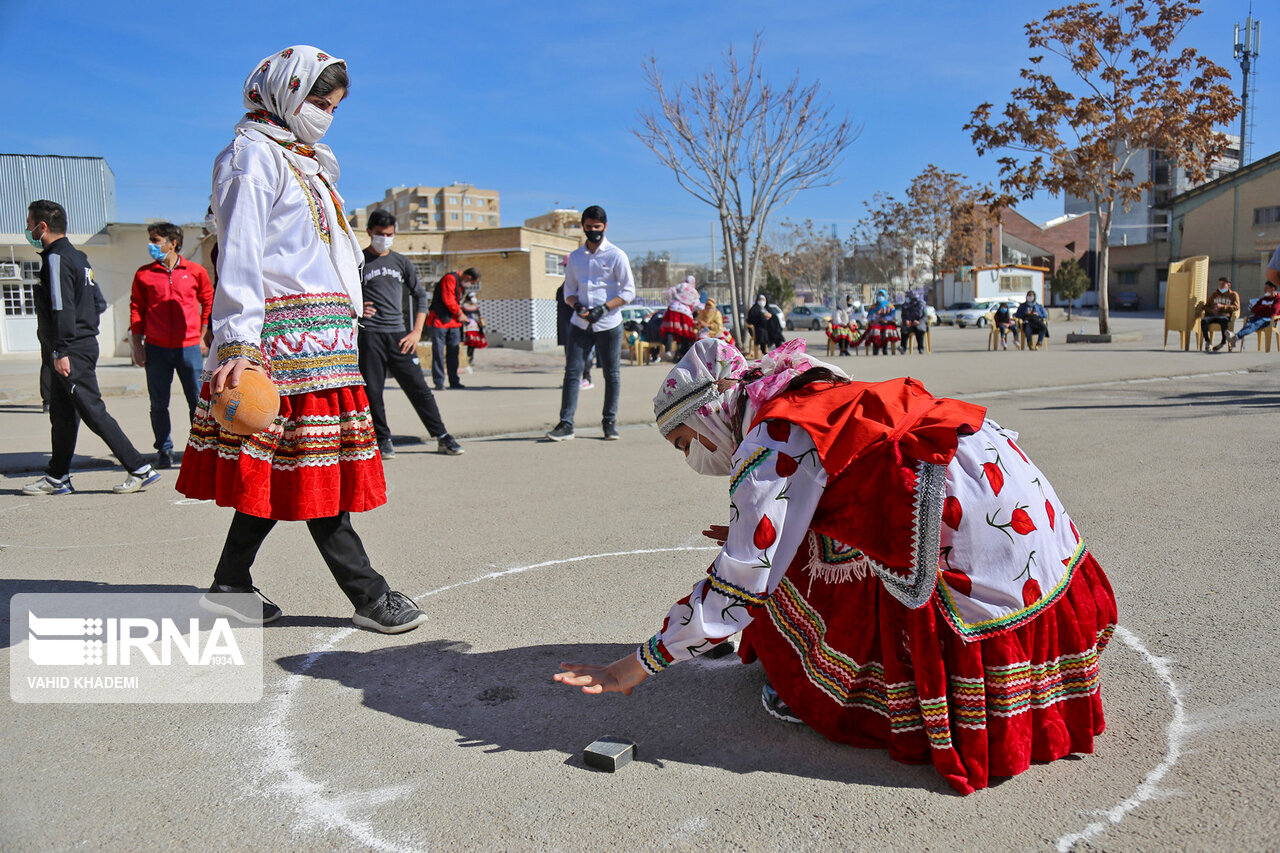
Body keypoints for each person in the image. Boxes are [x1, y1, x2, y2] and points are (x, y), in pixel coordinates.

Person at [555, 338, 1119, 796]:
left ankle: (827, 694)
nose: (693, 459)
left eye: (686, 442)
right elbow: (843, 481)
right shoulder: (807, 386)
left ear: (710, 416)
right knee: (801, 556)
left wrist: (638, 664)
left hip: (958, 521)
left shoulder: (769, 438)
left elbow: (740, 583)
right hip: (1004, 493)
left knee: (773, 576)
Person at [176, 45, 428, 634]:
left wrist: (348, 302)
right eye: (317, 100)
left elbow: (317, 252)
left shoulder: (304, 159)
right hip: (283, 344)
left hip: (326, 342)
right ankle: (368, 595)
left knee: (283, 469)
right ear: (284, 92)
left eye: (333, 106)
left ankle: (229, 584)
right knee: (316, 472)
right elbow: (237, 251)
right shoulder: (250, 156)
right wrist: (237, 342)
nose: (324, 114)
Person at [22, 200, 161, 497]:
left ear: (42, 227)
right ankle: (57, 477)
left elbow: (60, 306)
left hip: (69, 349)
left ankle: (139, 468)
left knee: (92, 411)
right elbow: (97, 303)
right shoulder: (79, 257)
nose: (27, 230)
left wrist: (61, 349)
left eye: (29, 223)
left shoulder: (57, 258)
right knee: (62, 415)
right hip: (76, 344)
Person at [357, 209, 463, 458]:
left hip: (400, 335)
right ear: (370, 232)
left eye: (389, 234)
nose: (385, 238)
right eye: (380, 234)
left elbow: (420, 295)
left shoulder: (401, 262)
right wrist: (357, 307)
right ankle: (383, 440)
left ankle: (442, 436)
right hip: (370, 336)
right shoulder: (358, 261)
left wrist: (417, 331)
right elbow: (342, 292)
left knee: (418, 388)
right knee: (373, 392)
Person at [545, 205, 635, 442]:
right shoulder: (575, 258)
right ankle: (566, 424)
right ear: (583, 227)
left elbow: (628, 291)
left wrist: (604, 308)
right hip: (580, 324)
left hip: (609, 323)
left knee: (611, 374)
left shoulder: (616, 255)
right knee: (572, 373)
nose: (593, 231)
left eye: (597, 227)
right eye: (588, 227)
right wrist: (578, 306)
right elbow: (569, 291)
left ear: (605, 227)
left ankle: (609, 423)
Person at [129, 221, 215, 469]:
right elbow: (136, 309)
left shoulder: (195, 271)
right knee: (158, 403)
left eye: (155, 241)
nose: (151, 246)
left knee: (197, 402)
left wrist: (203, 334)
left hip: (189, 348)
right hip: (156, 348)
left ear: (172, 242)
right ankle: (164, 450)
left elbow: (208, 302)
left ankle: (199, 449)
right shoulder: (143, 274)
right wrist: (138, 344)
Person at [428, 267, 478, 390]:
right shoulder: (450, 278)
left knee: (453, 353)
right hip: (440, 321)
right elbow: (448, 299)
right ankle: (439, 382)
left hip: (454, 323)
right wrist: (460, 313)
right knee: (438, 353)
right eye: (471, 283)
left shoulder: (461, 285)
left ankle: (454, 380)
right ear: (468, 277)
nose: (469, 285)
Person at [1218, 280, 1280, 351]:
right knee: (1249, 324)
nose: (1264, 290)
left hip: (1269, 320)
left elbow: (1274, 311)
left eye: (1267, 288)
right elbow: (1253, 309)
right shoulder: (1264, 298)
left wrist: (1261, 309)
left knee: (1255, 324)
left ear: (1273, 289)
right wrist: (1267, 307)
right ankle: (1236, 337)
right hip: (1258, 317)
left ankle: (1236, 337)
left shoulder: (1278, 299)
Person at [555, 279, 594, 386]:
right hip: (566, 325)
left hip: (579, 325)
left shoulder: (579, 287)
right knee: (570, 354)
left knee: (584, 353)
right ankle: (572, 379)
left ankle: (586, 377)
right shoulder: (565, 287)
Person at [660, 275, 701, 361]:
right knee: (686, 333)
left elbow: (668, 292)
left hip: (673, 308)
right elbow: (697, 303)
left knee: (670, 330)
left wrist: (673, 300)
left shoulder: (681, 285)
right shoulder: (693, 291)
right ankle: (684, 353)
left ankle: (668, 350)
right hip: (685, 312)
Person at [1200, 277, 1239, 352]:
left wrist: (1222, 307)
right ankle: (1208, 341)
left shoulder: (1233, 295)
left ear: (1229, 285)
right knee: (1204, 321)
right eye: (1219, 284)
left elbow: (1236, 307)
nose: (1221, 286)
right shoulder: (1215, 294)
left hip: (1224, 315)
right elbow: (1205, 306)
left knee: (1224, 321)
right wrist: (1211, 310)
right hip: (1212, 315)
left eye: (1223, 284)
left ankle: (1223, 342)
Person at [867, 289, 898, 355]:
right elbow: (869, 316)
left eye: (882, 295)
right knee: (875, 331)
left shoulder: (890, 306)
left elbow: (892, 315)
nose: (880, 297)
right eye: (879, 295)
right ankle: (876, 349)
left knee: (886, 331)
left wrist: (885, 319)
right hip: (876, 323)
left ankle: (885, 349)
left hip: (886, 323)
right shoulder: (873, 306)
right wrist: (874, 320)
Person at [461, 292, 488, 362]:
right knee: (470, 342)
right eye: (473, 297)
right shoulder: (464, 306)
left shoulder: (475, 307)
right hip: (467, 327)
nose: (474, 298)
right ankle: (467, 358)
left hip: (475, 327)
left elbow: (479, 316)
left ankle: (470, 358)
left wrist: (482, 324)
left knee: (473, 343)